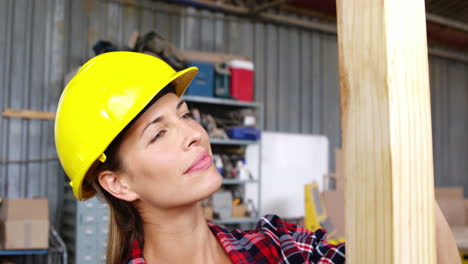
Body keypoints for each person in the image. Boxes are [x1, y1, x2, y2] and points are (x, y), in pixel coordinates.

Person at [55, 52, 459, 264]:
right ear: (117, 183)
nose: (195, 135)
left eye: (184, 115)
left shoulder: (277, 248)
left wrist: (404, 162)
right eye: (159, 133)